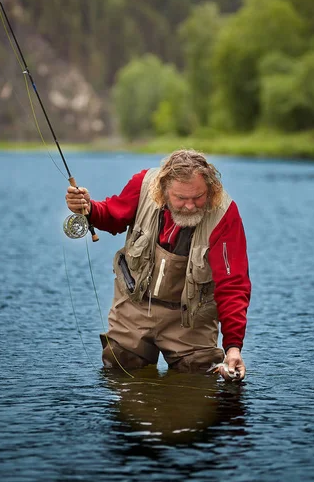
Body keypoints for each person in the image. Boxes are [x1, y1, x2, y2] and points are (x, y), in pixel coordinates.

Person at [65, 149, 251, 381]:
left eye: (198, 197)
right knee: (119, 368)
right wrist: (89, 209)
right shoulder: (143, 185)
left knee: (200, 377)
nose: (191, 206)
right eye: (181, 198)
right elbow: (113, 215)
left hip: (191, 317)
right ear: (163, 192)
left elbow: (232, 284)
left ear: (211, 190)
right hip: (135, 306)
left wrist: (233, 347)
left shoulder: (225, 215)